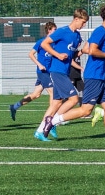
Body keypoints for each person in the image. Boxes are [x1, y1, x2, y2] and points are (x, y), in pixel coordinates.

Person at [50, 3, 105, 152]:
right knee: (86, 110)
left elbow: (86, 48)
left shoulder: (103, 33)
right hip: (94, 77)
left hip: (100, 77)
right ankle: (53, 121)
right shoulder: (100, 31)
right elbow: (92, 50)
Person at [35, 9, 88, 141]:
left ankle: (39, 131)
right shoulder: (62, 31)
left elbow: (71, 56)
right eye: (82, 22)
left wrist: (83, 51)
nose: (83, 25)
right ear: (76, 19)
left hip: (65, 72)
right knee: (74, 99)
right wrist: (57, 55)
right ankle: (53, 122)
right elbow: (44, 44)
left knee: (56, 103)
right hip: (57, 71)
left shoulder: (77, 36)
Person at [10, 21, 57, 120]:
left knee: (36, 95)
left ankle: (14, 107)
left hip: (48, 72)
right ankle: (50, 118)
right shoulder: (41, 42)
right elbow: (30, 54)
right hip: (42, 72)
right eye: (54, 30)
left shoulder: (54, 43)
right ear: (49, 30)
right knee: (53, 92)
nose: (56, 31)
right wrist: (39, 65)